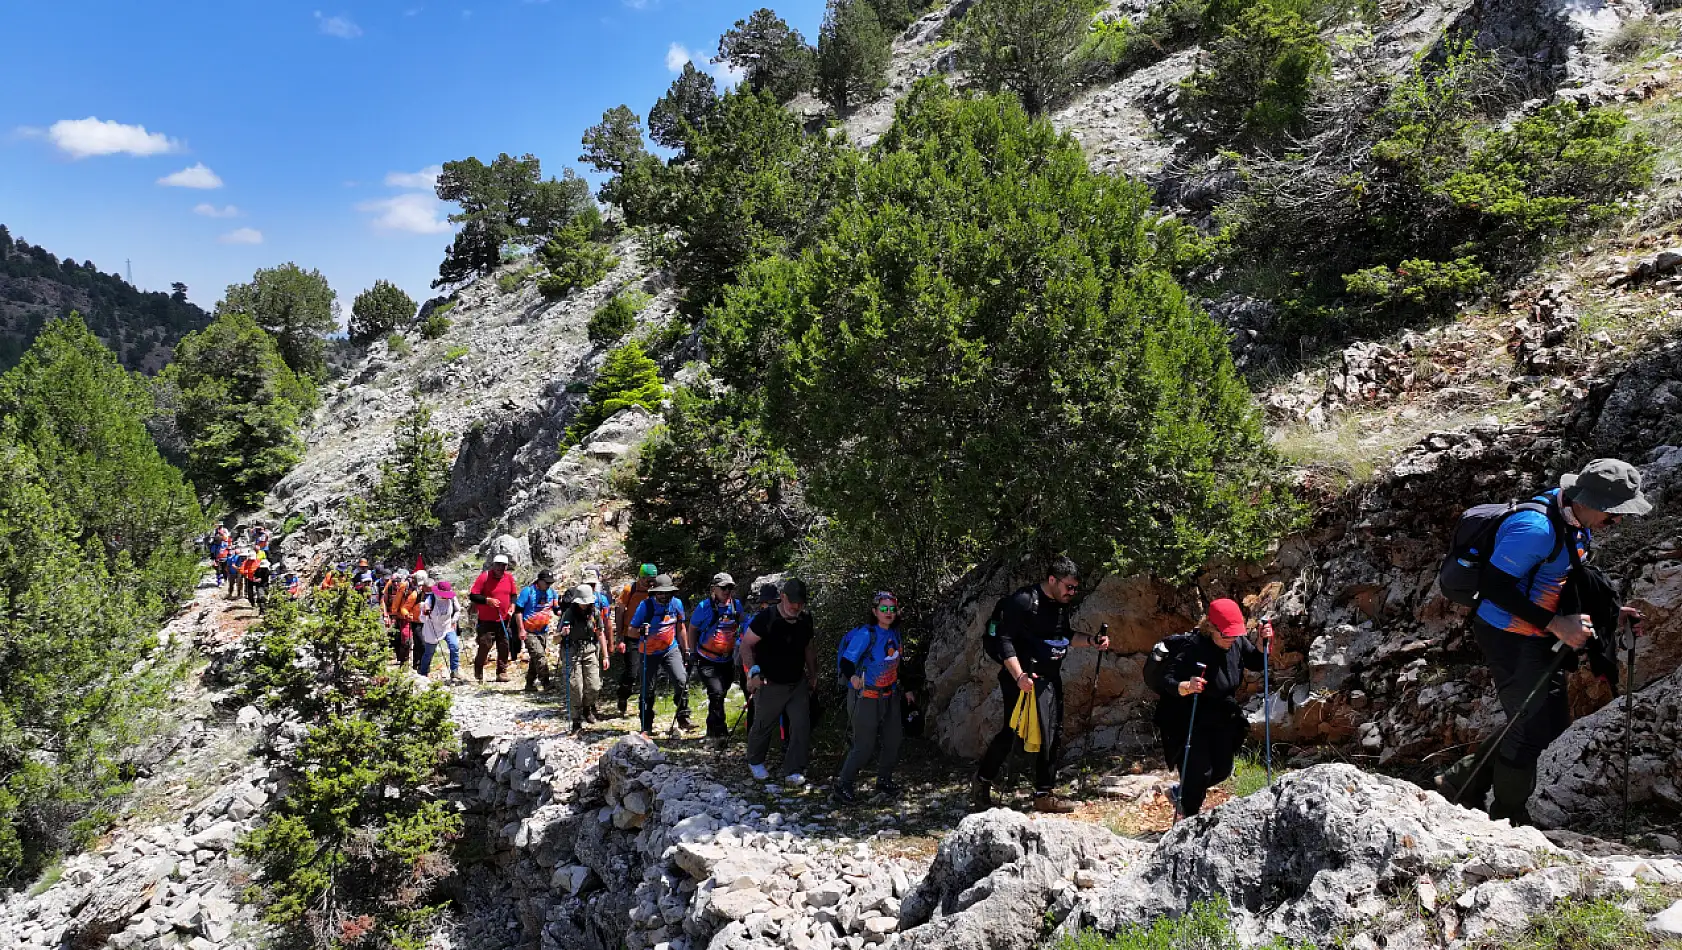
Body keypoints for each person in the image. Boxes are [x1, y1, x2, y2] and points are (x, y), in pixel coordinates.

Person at [1438, 458, 1650, 824]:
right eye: (1614, 513)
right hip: (1509, 636)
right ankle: (1507, 817)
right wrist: (1555, 624)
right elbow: (1494, 587)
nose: (1618, 521)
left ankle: (1459, 782)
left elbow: (1561, 577)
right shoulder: (1535, 528)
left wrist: (1612, 614)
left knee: (1544, 723)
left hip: (1537, 634)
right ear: (1587, 499)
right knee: (1532, 727)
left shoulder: (1573, 519)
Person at [972, 556, 1110, 814]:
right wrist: (1019, 676)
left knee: (1052, 732)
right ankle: (982, 782)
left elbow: (1065, 636)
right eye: (1068, 586)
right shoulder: (1023, 601)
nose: (1072, 592)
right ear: (1052, 580)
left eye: (1075, 588)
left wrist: (1092, 641)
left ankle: (1043, 795)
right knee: (1012, 732)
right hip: (1020, 679)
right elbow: (1004, 641)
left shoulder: (1059, 605)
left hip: (1048, 677)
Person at [1146, 598, 1271, 820]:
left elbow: (1254, 660)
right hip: (1188, 717)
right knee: (1199, 771)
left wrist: (1262, 643)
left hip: (1222, 714)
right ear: (1211, 627)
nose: (1231, 639)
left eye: (1235, 634)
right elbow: (1167, 679)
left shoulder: (1236, 641)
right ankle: (1188, 819)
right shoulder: (1191, 647)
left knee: (1222, 769)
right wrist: (1185, 686)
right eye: (1226, 634)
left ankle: (1180, 792)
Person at [741, 578, 818, 785]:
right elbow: (746, 646)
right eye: (793, 601)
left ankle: (794, 769)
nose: (796, 606)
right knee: (764, 724)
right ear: (782, 597)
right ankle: (755, 761)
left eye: (800, 602)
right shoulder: (766, 618)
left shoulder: (805, 619)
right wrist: (752, 672)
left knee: (801, 725)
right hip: (770, 682)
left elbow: (808, 648)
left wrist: (813, 675)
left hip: (796, 681)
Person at [832, 591, 906, 805]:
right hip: (866, 696)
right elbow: (847, 662)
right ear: (875, 611)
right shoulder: (866, 634)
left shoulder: (895, 633)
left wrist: (907, 688)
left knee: (893, 740)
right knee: (863, 745)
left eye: (892, 609)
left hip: (889, 694)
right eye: (883, 609)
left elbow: (898, 661)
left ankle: (884, 780)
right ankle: (843, 785)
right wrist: (852, 677)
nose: (888, 613)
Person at [629, 574, 695, 735]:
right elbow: (631, 631)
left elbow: (681, 628)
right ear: (654, 593)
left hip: (670, 649)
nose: (664, 596)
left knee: (681, 680)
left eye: (667, 592)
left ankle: (683, 717)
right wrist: (641, 631)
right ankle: (646, 724)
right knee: (647, 690)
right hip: (648, 652)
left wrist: (686, 650)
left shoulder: (676, 604)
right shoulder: (645, 606)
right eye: (660, 593)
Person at [689, 573, 746, 740]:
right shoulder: (703, 607)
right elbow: (692, 628)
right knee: (716, 692)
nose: (727, 591)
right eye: (724, 588)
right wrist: (691, 652)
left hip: (727, 659)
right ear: (714, 589)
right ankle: (721, 732)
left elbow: (744, 623)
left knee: (720, 694)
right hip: (706, 658)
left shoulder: (736, 606)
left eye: (730, 588)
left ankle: (711, 728)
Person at [559, 584, 611, 731]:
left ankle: (587, 708)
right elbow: (557, 638)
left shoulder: (595, 613)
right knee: (575, 686)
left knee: (594, 686)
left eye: (586, 602)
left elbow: (600, 633)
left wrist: (605, 655)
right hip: (572, 651)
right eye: (582, 602)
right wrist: (563, 633)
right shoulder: (568, 613)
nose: (584, 605)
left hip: (589, 650)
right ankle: (576, 719)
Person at [613, 564, 659, 716]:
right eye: (648, 579)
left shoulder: (656, 591)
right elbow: (619, 613)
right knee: (632, 672)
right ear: (641, 577)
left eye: (653, 579)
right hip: (631, 636)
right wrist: (619, 638)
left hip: (650, 636)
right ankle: (623, 695)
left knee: (647, 673)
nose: (650, 582)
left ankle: (646, 709)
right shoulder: (629, 590)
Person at [470, 554, 520, 682]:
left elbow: (513, 595)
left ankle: (501, 672)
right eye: (498, 564)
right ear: (493, 565)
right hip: (486, 621)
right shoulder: (484, 577)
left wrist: (512, 606)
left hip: (504, 619)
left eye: (503, 565)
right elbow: (473, 596)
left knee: (504, 645)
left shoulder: (509, 577)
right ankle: (478, 670)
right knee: (485, 645)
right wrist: (487, 600)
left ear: (506, 566)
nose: (500, 567)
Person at [516, 570, 561, 693]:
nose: (548, 585)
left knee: (535, 657)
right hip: (529, 631)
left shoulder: (552, 593)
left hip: (543, 631)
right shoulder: (528, 592)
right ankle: (546, 683)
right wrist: (521, 630)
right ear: (539, 580)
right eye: (546, 582)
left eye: (550, 583)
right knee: (539, 656)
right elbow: (518, 611)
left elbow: (556, 609)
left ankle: (529, 684)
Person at [417, 579, 463, 682]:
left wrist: (454, 621)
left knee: (454, 646)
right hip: (432, 630)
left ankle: (454, 671)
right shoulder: (430, 599)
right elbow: (422, 619)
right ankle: (423, 673)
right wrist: (425, 613)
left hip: (447, 627)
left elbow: (458, 610)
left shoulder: (452, 598)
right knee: (429, 652)